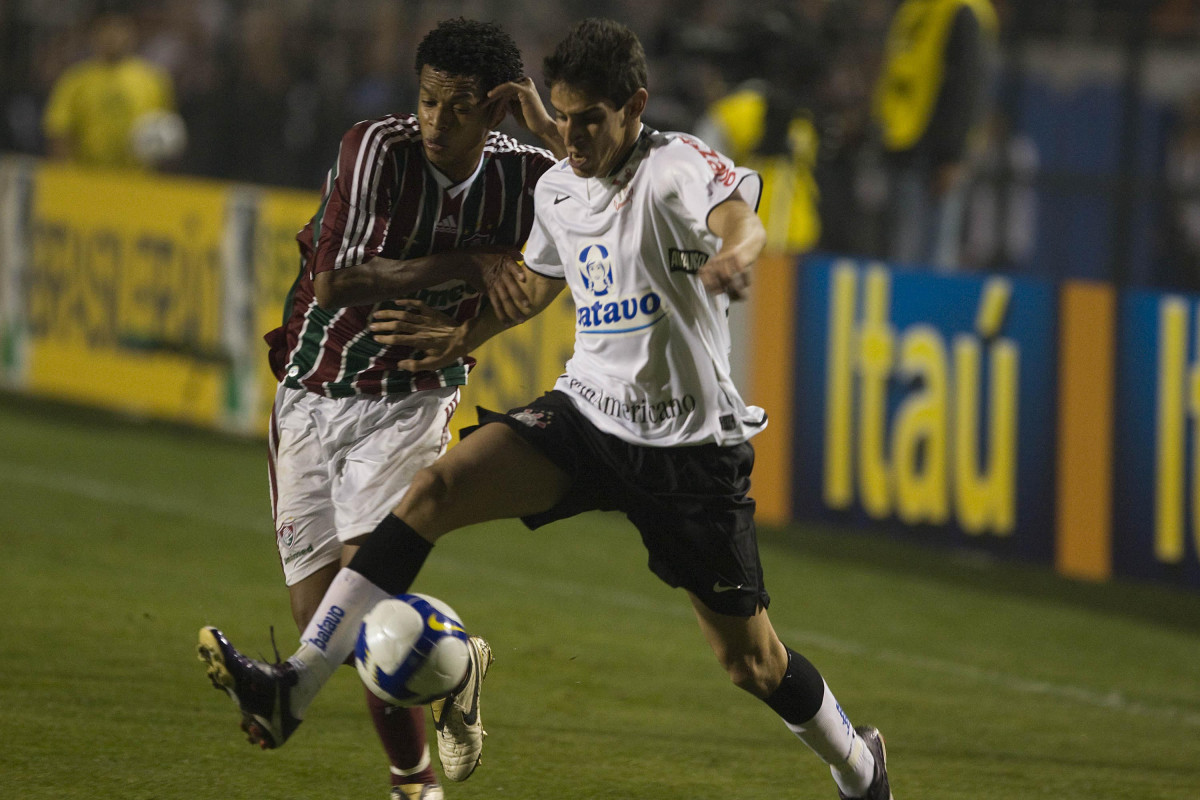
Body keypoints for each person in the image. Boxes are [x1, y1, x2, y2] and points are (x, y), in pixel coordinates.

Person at [198, 18, 894, 800]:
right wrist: (457, 336)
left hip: (686, 454)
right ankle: (293, 687)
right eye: (562, 117)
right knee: (433, 493)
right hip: (585, 418)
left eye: (590, 119)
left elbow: (741, 215)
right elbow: (529, 289)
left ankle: (859, 765)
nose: (573, 136)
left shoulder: (674, 166)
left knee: (752, 664)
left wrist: (735, 254)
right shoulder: (558, 188)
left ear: (634, 106)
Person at [230, 18, 564, 800]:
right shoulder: (376, 148)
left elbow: (569, 260)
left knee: (365, 588)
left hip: (408, 398)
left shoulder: (531, 177)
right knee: (326, 617)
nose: (436, 123)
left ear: (496, 110)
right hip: (311, 390)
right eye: (427, 101)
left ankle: (411, 785)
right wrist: (470, 259)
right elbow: (337, 283)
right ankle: (456, 665)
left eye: (457, 108)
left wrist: (469, 331)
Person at [872, 0, 998, 271]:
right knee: (901, 252)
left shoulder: (963, 11)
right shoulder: (913, 8)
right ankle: (900, 311)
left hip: (935, 156)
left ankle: (921, 313)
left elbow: (968, 86)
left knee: (931, 255)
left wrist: (953, 156)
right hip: (902, 143)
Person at [41, 12, 180, 169]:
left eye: (119, 30)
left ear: (131, 34)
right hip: (86, 175)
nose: (112, 37)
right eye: (106, 30)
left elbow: (166, 131)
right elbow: (59, 130)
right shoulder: (76, 79)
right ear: (94, 35)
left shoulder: (153, 80)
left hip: (138, 180)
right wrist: (66, 173)